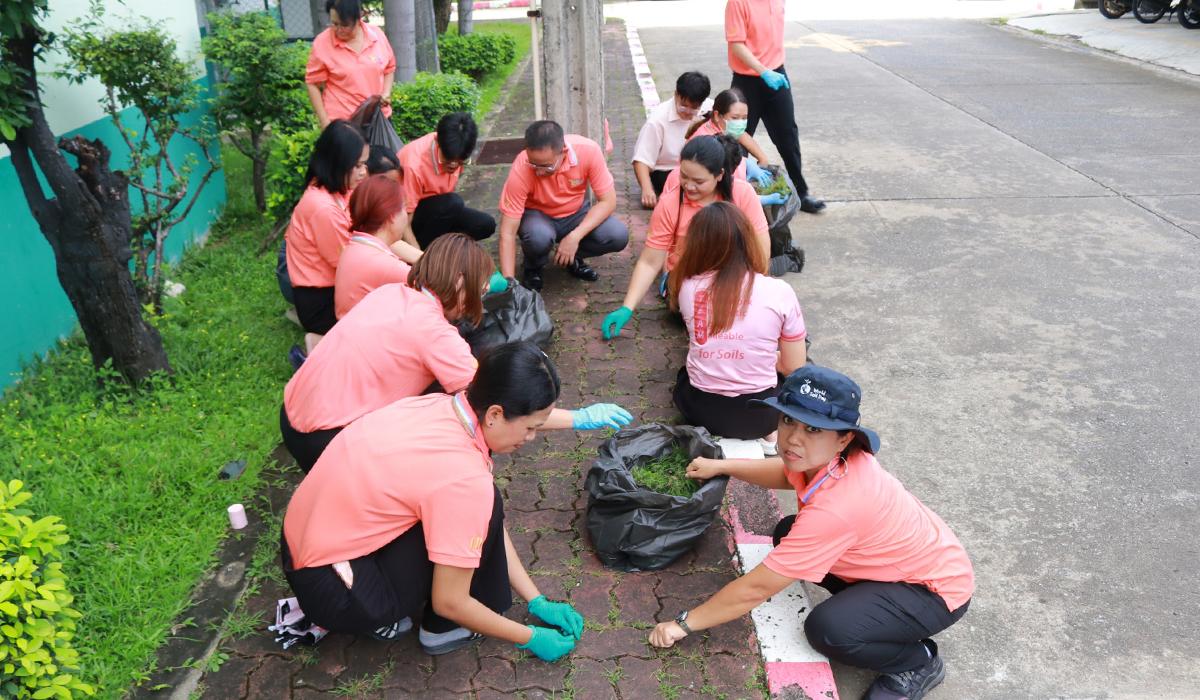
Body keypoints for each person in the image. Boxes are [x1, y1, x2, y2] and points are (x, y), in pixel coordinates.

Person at [649, 365, 974, 700]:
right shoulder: (832, 460)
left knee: (829, 631)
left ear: (844, 438)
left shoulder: (839, 507)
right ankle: (873, 610)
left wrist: (683, 624)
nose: (793, 438)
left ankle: (917, 662)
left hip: (934, 591)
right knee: (788, 532)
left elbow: (755, 589)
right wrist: (722, 466)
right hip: (899, 565)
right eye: (788, 420)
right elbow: (787, 472)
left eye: (814, 429)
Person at [281, 342, 589, 659]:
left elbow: (485, 522)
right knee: (476, 509)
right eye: (531, 427)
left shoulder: (438, 406)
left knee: (482, 505)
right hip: (334, 590)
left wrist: (536, 599)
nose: (531, 438)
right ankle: (442, 630)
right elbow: (450, 601)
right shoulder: (464, 479)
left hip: (300, 541)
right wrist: (530, 636)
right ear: (495, 414)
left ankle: (381, 597)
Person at [282, 234, 633, 472]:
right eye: (481, 288)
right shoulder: (435, 333)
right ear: (460, 284)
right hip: (325, 438)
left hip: (292, 413)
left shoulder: (392, 293)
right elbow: (504, 402)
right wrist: (580, 417)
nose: (483, 298)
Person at [601, 135, 768, 340]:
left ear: (719, 175)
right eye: (684, 176)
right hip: (686, 281)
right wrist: (627, 307)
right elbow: (650, 261)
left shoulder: (742, 194)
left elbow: (760, 253)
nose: (688, 186)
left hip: (732, 276)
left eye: (698, 181)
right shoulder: (671, 202)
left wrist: (754, 291)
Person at [667, 202, 806, 442]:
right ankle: (771, 437)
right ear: (748, 240)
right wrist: (764, 357)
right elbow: (794, 367)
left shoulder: (687, 288)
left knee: (684, 372)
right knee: (797, 367)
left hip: (701, 412)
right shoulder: (779, 291)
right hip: (762, 418)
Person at [497, 120, 629, 292]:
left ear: (563, 152)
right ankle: (533, 267)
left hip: (575, 213)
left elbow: (608, 201)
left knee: (617, 235)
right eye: (533, 164)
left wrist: (574, 237)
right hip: (538, 215)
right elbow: (507, 232)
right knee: (538, 238)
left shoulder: (588, 151)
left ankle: (572, 257)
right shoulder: (522, 167)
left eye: (545, 166)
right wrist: (509, 284)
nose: (538, 171)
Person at [725, 0, 826, 214]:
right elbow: (736, 44)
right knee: (738, 139)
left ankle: (801, 192)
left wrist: (771, 70)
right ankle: (733, 194)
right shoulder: (737, 2)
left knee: (788, 135)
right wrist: (763, 71)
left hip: (776, 74)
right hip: (747, 81)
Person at [285, 120, 369, 338]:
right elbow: (350, 266)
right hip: (320, 301)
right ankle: (317, 343)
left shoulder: (337, 188)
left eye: (365, 164)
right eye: (358, 165)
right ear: (337, 164)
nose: (364, 172)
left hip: (331, 286)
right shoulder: (323, 208)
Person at [398, 112, 496, 248]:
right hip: (407, 220)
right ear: (438, 142)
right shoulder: (414, 165)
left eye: (461, 161)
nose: (454, 165)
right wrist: (418, 257)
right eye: (448, 159)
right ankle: (431, 253)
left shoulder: (457, 148)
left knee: (485, 224)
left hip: (439, 212)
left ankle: (443, 249)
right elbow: (403, 224)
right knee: (453, 202)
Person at [334, 174, 422, 319]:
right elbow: (436, 287)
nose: (406, 216)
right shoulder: (383, 264)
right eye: (404, 208)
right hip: (368, 337)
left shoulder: (360, 244)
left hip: (351, 327)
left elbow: (401, 248)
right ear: (392, 216)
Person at [306, 0, 396, 129]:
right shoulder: (323, 43)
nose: (338, 30)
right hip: (343, 124)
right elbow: (312, 83)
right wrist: (324, 121)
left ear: (359, 17)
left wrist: (386, 92)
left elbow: (389, 68)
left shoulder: (377, 36)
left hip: (379, 118)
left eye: (344, 25)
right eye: (334, 23)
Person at [685, 88, 782, 204]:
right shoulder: (707, 144)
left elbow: (742, 135)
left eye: (744, 118)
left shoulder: (721, 128)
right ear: (717, 115)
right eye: (735, 118)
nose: (740, 123)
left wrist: (761, 159)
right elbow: (722, 193)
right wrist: (762, 200)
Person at [632, 71, 711, 209]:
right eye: (683, 105)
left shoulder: (709, 109)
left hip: (701, 167)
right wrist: (647, 189)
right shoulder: (657, 120)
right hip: (669, 171)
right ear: (676, 95)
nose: (687, 112)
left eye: (694, 108)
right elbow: (641, 160)